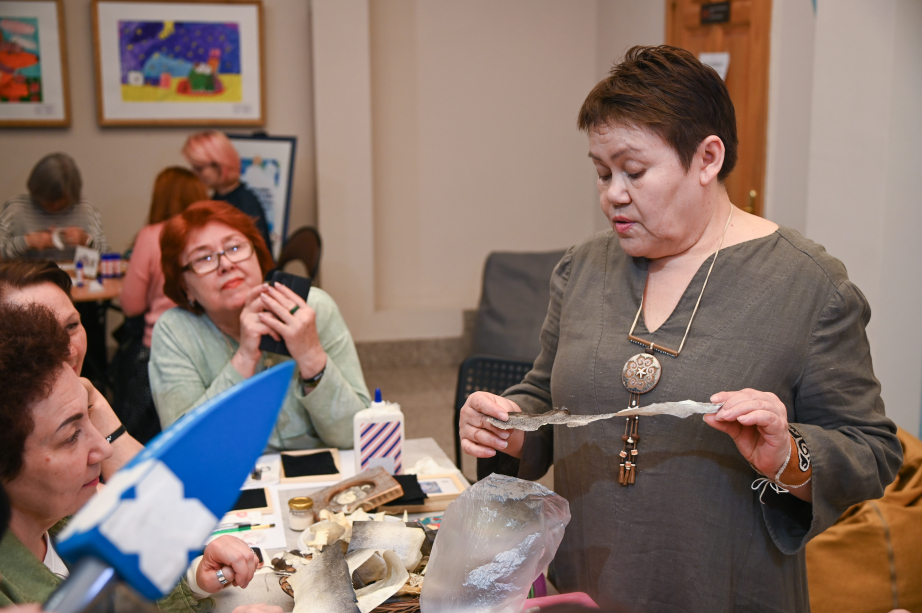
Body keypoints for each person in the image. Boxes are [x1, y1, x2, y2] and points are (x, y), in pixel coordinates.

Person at [459, 46, 903, 612]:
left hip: (724, 592)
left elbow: (871, 451)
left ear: (707, 158)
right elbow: (547, 400)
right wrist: (508, 425)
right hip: (587, 585)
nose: (612, 194)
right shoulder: (583, 268)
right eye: (602, 172)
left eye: (634, 171)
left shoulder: (808, 286)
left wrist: (788, 455)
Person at [0, 301, 261, 612]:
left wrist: (193, 579)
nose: (104, 448)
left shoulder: (66, 521)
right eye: (70, 437)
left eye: (89, 416)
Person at [150, 200, 370, 450]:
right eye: (204, 258)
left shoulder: (312, 308)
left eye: (234, 247)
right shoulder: (175, 332)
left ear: (257, 255)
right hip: (237, 472)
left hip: (322, 469)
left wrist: (310, 355)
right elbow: (187, 450)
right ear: (185, 287)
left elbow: (356, 436)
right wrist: (244, 358)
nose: (226, 264)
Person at [0, 260, 143, 476]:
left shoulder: (84, 399)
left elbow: (155, 487)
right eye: (41, 337)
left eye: (72, 326)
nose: (70, 351)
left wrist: (96, 403)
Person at [115, 167, 209, 443]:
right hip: (207, 344)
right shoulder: (211, 236)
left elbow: (131, 305)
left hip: (156, 347)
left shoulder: (152, 235)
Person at [0, 153, 109, 261]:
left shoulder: (86, 210)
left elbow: (108, 256)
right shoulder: (15, 209)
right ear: (38, 190)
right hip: (27, 272)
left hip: (74, 272)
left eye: (62, 200)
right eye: (49, 199)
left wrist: (87, 241)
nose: (55, 205)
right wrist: (26, 242)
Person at [181, 131, 273, 255]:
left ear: (220, 166)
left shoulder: (243, 204)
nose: (194, 174)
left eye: (199, 168)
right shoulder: (219, 197)